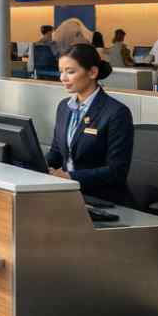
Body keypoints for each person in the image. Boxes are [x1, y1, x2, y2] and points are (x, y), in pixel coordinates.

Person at [47, 44, 134, 206]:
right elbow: (56, 153)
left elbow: (116, 172)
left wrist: (70, 177)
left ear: (92, 72)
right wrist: (37, 166)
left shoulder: (116, 113)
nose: (63, 78)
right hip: (69, 196)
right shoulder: (64, 107)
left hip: (103, 201)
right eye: (61, 71)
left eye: (70, 72)